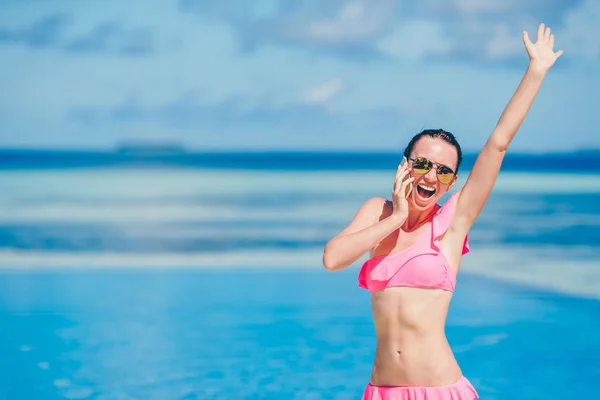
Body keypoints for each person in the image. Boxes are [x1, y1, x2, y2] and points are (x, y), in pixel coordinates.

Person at [322, 23, 563, 399]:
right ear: (405, 166)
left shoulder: (452, 222)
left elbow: (498, 144)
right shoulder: (377, 212)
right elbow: (333, 259)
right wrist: (398, 217)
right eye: (421, 164)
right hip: (382, 391)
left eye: (443, 171)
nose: (430, 176)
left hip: (440, 390)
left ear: (451, 182)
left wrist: (535, 72)